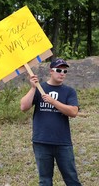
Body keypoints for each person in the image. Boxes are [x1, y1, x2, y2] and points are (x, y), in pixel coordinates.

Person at [20, 58, 82, 186]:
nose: (62, 73)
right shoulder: (39, 87)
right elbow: (24, 107)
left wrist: (53, 102)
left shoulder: (69, 91)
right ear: (51, 71)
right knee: (45, 180)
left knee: (72, 179)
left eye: (65, 71)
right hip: (41, 141)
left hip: (63, 142)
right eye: (59, 70)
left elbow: (73, 112)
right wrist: (33, 88)